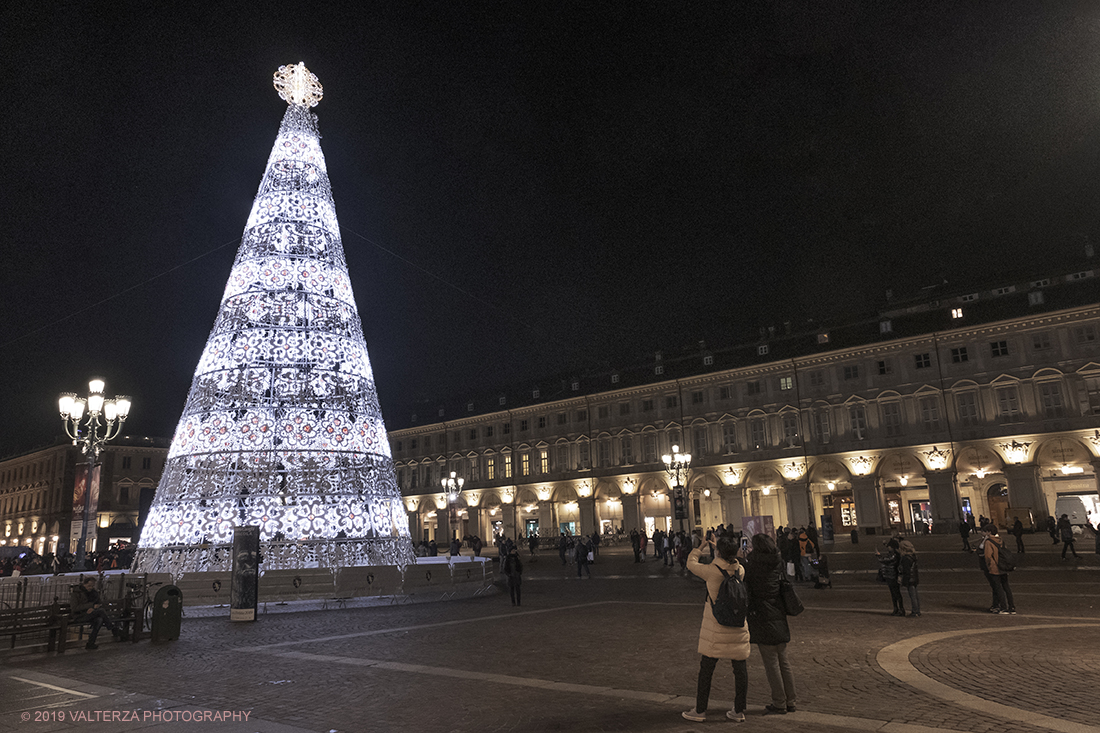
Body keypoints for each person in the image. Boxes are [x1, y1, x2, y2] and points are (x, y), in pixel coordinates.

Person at [682, 534, 750, 723]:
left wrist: (701, 546)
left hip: (716, 627)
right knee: (740, 669)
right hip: (737, 626)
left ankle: (700, 710)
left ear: (719, 552)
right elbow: (729, 562)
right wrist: (720, 550)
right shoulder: (740, 571)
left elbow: (691, 563)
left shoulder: (711, 572)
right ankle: (738, 711)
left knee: (706, 670)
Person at [743, 533, 796, 714]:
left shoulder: (753, 566)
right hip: (778, 613)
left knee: (771, 662)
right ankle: (791, 700)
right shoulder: (777, 562)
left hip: (763, 616)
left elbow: (747, 589)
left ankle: (779, 702)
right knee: (784, 661)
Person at [71, 578, 126, 650]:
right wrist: (90, 606)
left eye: (92, 586)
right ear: (84, 584)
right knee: (101, 612)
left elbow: (99, 603)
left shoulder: (94, 593)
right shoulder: (76, 594)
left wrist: (93, 609)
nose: (91, 588)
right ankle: (112, 629)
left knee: (99, 620)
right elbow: (75, 608)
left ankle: (90, 643)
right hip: (79, 615)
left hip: (92, 614)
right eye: (89, 586)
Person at [983, 525, 1016, 614]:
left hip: (995, 568)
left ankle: (1003, 607)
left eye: (986, 531)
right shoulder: (1000, 540)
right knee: (1006, 587)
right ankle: (1012, 607)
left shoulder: (988, 542)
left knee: (998, 588)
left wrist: (989, 566)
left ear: (989, 532)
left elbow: (988, 556)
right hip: (1003, 567)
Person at [876, 539, 905, 616]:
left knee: (896, 593)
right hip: (890, 575)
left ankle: (900, 609)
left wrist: (878, 555)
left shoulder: (894, 555)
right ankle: (896, 608)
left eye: (889, 546)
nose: (888, 548)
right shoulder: (894, 553)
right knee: (893, 593)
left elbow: (886, 560)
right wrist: (885, 544)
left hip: (893, 576)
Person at [898, 539, 921, 617]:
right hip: (914, 577)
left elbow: (906, 571)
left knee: (913, 596)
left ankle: (915, 611)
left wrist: (903, 581)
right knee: (916, 596)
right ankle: (917, 610)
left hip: (910, 579)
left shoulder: (905, 558)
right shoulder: (913, 556)